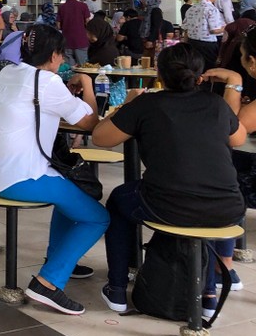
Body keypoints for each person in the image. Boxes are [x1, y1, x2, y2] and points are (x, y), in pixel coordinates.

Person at [94, 44, 247, 316]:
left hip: (168, 205)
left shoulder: (147, 104)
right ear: (200, 77)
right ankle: (208, 297)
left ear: (159, 76)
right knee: (203, 215)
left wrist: (127, 105)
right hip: (229, 208)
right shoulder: (216, 105)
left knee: (119, 200)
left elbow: (100, 138)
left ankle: (117, 288)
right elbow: (239, 138)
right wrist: (232, 87)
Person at [0, 24, 107, 315]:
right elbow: (89, 123)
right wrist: (87, 85)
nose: (63, 61)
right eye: (61, 55)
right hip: (21, 176)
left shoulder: (7, 72)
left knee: (68, 195)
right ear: (53, 55)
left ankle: (58, 260)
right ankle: (48, 283)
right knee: (97, 218)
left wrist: (67, 96)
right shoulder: (47, 82)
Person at [183, 0, 226, 69]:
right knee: (208, 71)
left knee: (195, 69)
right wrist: (226, 27)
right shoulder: (211, 9)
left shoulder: (191, 9)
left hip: (192, 44)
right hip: (207, 46)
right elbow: (214, 30)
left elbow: (186, 30)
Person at [57, 0, 92, 66]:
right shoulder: (83, 6)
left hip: (66, 41)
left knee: (69, 68)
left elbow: (58, 25)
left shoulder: (62, 7)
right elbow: (88, 23)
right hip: (81, 40)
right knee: (83, 67)